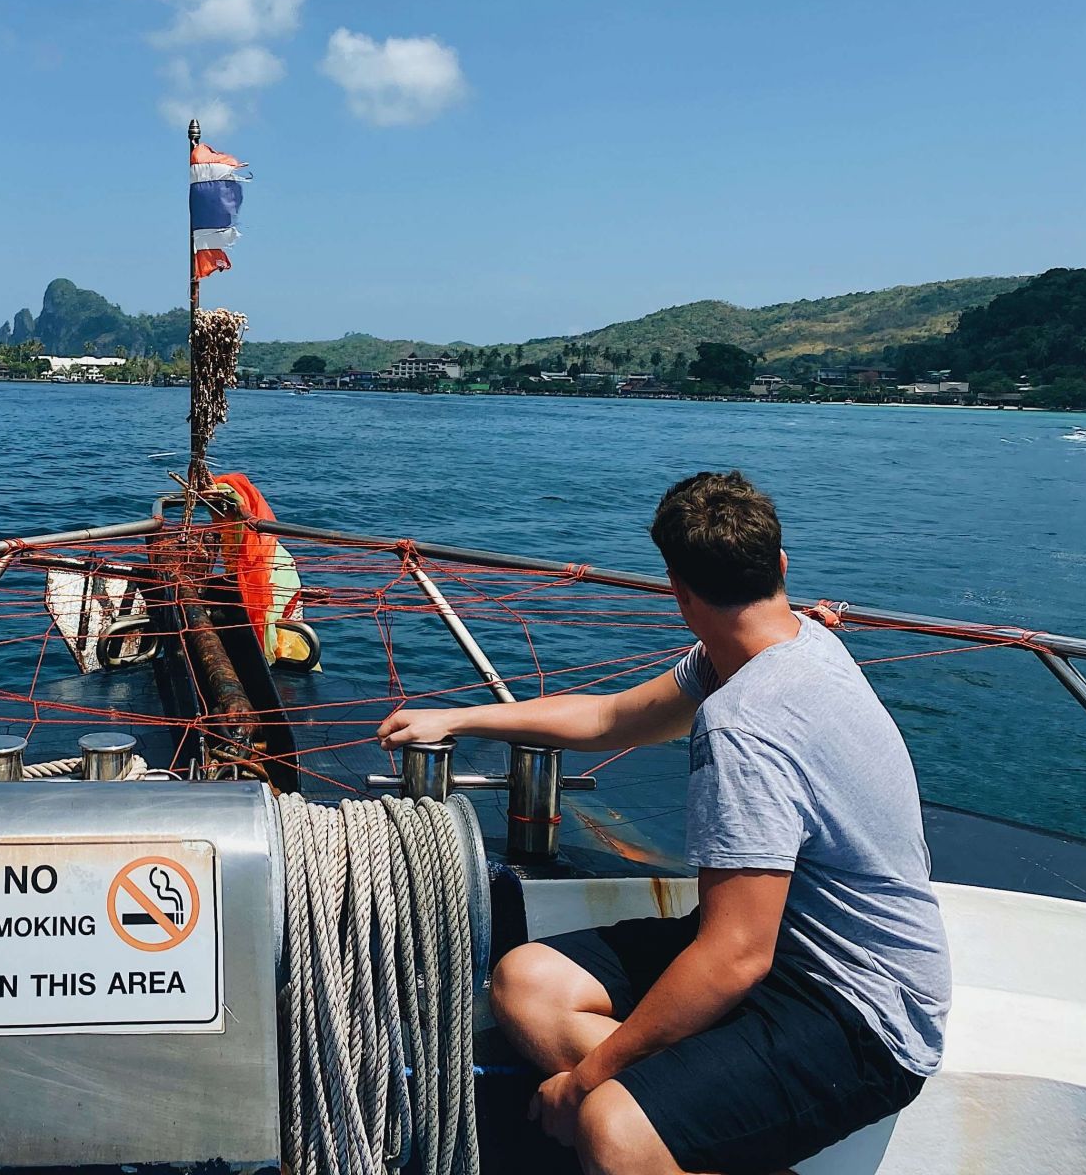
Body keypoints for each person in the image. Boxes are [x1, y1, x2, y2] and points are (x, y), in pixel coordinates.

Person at [378, 471, 950, 1175]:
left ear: (679, 593)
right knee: (527, 982)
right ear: (779, 567)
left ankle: (658, 1123)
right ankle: (690, 1109)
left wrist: (585, 1084)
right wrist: (459, 718)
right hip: (782, 956)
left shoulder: (746, 724)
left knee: (613, 1129)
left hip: (859, 1009)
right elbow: (613, 717)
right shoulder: (774, 647)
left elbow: (737, 955)